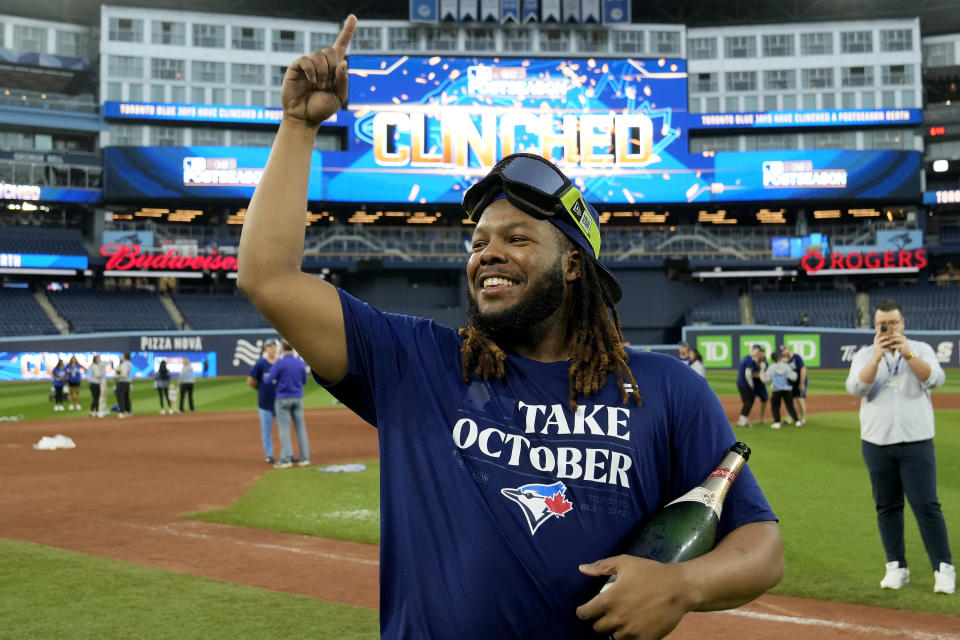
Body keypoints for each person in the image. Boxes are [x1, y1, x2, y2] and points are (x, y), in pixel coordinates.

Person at [237, 16, 783, 639]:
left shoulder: (665, 389)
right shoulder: (416, 364)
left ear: (573, 264)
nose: (487, 254)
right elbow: (268, 278)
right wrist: (299, 126)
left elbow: (761, 544)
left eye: (517, 238)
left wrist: (685, 584)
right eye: (477, 242)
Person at [845, 300, 954, 595]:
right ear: (875, 325)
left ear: (903, 323)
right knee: (887, 506)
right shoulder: (866, 354)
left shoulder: (920, 348)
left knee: (926, 505)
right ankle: (896, 566)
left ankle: (943, 567)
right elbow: (856, 388)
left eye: (894, 323)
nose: (889, 328)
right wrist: (876, 359)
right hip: (877, 442)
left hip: (916, 440)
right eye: (883, 324)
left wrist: (907, 353)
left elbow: (935, 379)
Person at [268, 341, 310, 469]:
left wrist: (264, 378)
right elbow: (304, 381)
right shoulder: (300, 362)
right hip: (297, 398)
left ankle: (286, 460)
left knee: (284, 430)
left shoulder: (279, 363)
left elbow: (269, 379)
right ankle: (305, 458)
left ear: (281, 348)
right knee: (301, 429)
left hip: (282, 399)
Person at [248, 338, 280, 463]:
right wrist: (260, 388)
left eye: (274, 346)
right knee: (267, 430)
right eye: (270, 347)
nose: (273, 349)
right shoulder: (261, 364)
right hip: (265, 403)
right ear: (266, 349)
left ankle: (287, 453)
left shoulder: (280, 363)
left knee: (284, 429)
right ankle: (269, 455)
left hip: (279, 402)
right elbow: (250, 380)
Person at [761, 351, 800, 430]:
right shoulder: (786, 366)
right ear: (779, 358)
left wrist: (762, 370)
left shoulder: (771, 367)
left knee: (775, 407)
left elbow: (765, 379)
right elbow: (794, 377)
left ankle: (777, 422)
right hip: (786, 389)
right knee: (790, 406)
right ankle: (797, 421)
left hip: (776, 390)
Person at [734, 345, 764, 427]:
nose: (758, 353)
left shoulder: (746, 358)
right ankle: (742, 421)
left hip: (742, 383)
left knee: (747, 401)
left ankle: (744, 420)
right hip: (745, 384)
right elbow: (747, 373)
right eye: (757, 351)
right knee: (748, 402)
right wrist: (751, 385)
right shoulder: (749, 359)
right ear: (754, 350)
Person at [780, 344, 807, 424]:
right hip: (791, 382)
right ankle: (788, 418)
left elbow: (803, 370)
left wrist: (802, 383)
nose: (783, 352)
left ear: (788, 349)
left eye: (784, 350)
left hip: (800, 380)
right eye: (782, 351)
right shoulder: (784, 360)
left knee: (800, 399)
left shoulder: (796, 358)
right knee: (788, 399)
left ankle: (802, 418)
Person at [115, 352, 132, 418]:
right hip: (127, 382)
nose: (121, 357)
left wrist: (117, 372)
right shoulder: (128, 363)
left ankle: (122, 412)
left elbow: (123, 373)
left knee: (121, 397)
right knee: (126, 397)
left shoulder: (125, 364)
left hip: (122, 382)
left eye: (122, 356)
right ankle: (128, 411)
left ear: (125, 357)